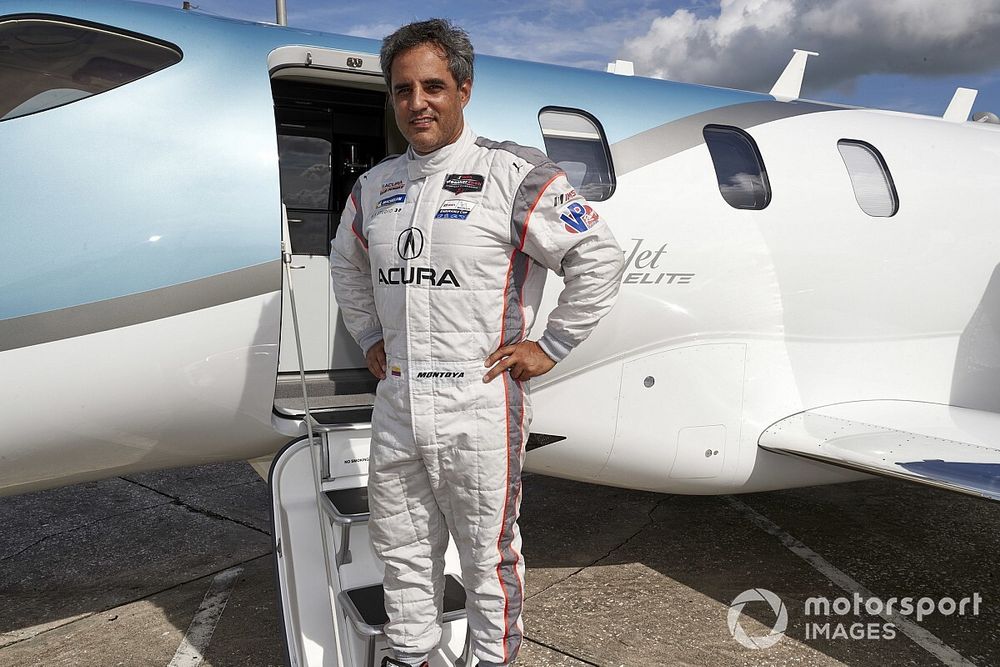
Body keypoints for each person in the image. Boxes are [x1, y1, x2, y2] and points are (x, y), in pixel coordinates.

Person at [330, 18, 624, 667]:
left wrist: (552, 344)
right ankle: (412, 656)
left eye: (432, 86)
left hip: (481, 405)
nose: (417, 103)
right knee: (402, 551)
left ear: (463, 87)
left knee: (490, 559)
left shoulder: (513, 173)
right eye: (402, 89)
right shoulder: (376, 187)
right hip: (400, 405)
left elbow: (599, 256)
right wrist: (371, 333)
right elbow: (344, 262)